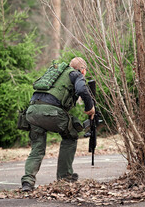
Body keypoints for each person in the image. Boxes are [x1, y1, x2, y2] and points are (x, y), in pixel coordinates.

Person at [21, 57, 95, 191]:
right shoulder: (75, 74)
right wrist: (89, 108)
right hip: (51, 112)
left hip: (31, 111)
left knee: (37, 148)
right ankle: (64, 176)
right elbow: (82, 90)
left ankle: (27, 181)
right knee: (71, 135)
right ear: (82, 70)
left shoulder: (55, 73)